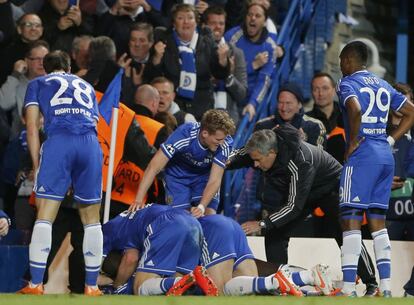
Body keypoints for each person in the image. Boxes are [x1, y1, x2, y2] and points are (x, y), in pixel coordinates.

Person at [18, 50, 104, 296]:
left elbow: (32, 126)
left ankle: (35, 284)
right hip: (90, 145)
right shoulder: (86, 86)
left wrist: (37, 164)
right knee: (91, 219)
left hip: (60, 143)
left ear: (45, 68)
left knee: (45, 216)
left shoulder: (38, 83)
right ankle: (92, 286)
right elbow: (93, 122)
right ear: (68, 68)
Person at [336, 41, 414, 297]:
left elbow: (355, 109)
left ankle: (348, 289)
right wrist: (392, 140)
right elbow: (411, 112)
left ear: (348, 60)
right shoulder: (383, 83)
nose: (339, 66)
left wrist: (353, 141)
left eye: (340, 61)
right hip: (384, 156)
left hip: (362, 156)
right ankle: (388, 288)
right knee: (378, 224)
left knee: (350, 221)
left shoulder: (347, 83)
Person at [130, 109, 235, 217]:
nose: (222, 142)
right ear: (205, 133)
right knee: (180, 219)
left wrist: (201, 207)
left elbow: (215, 180)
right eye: (218, 139)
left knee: (209, 217)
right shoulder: (184, 135)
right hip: (178, 177)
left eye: (224, 138)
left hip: (204, 178)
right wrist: (138, 199)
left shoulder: (225, 143)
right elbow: (154, 167)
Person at [101, 204, 217, 296]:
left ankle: (182, 281)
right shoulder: (125, 224)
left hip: (166, 222)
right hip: (192, 222)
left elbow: (131, 258)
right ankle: (199, 285)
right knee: (182, 286)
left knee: (140, 287)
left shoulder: (106, 230)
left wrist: (116, 286)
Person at [144, 3, 229, 120]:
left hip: (202, 107)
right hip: (173, 110)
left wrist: (223, 60)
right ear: (174, 23)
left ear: (196, 22)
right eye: (180, 18)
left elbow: (220, 74)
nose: (186, 22)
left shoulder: (207, 42)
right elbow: (151, 78)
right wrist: (156, 58)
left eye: (190, 18)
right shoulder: (164, 41)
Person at [203, 5, 248, 124]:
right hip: (202, 115)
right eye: (213, 23)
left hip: (228, 122)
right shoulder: (198, 50)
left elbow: (242, 94)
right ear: (205, 25)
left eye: (221, 23)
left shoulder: (236, 53)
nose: (217, 27)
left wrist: (228, 75)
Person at [256, 82, 326, 148]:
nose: (284, 108)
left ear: (299, 104)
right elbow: (250, 155)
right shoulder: (262, 126)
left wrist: (301, 144)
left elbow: (318, 159)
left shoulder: (315, 126)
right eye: (281, 103)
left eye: (288, 103)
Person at [307, 72, 345, 162]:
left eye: (325, 88)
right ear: (312, 92)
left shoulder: (346, 117)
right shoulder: (306, 120)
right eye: (316, 89)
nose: (321, 93)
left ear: (334, 90)